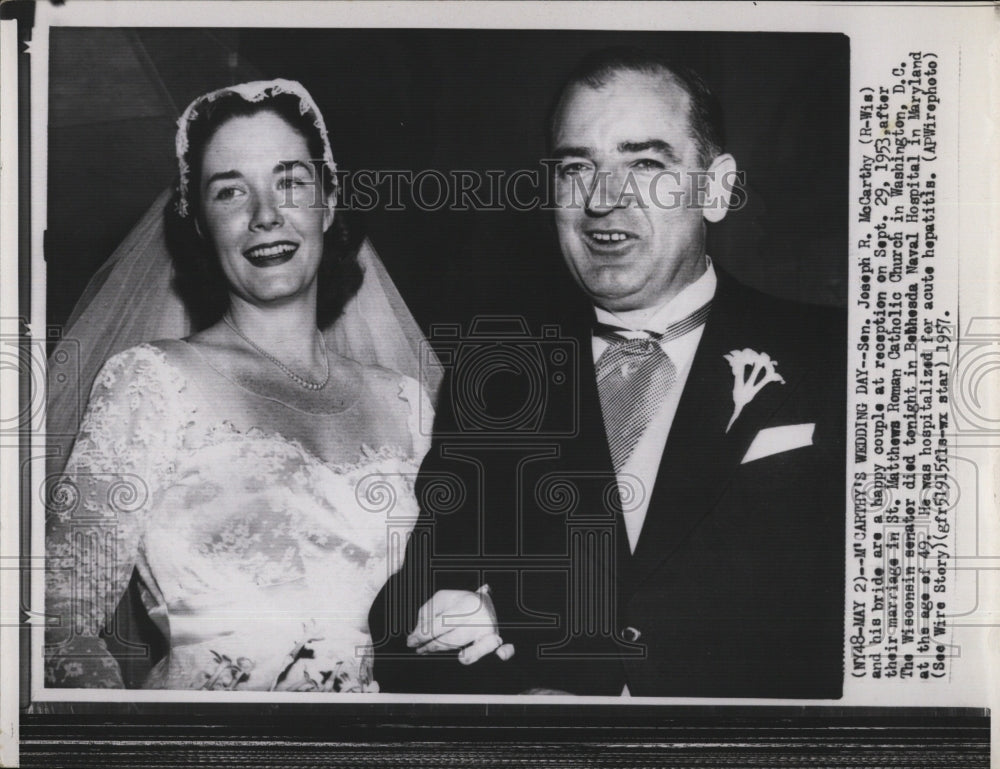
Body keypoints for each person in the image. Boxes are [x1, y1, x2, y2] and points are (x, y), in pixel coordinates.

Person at [371, 47, 846, 698]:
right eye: (576, 170)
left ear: (714, 187)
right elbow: (403, 622)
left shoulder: (836, 355)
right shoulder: (498, 378)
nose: (603, 200)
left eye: (645, 163)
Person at [44, 80, 438, 692]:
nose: (265, 215)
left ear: (328, 202)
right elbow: (55, 621)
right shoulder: (151, 383)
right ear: (199, 223)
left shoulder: (407, 405)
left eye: (290, 182)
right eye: (230, 191)